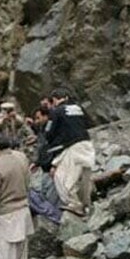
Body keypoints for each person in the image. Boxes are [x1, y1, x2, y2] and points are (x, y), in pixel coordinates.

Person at [45, 88, 94, 217]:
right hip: (87, 144)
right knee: (85, 177)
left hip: (72, 146)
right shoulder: (79, 108)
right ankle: (87, 205)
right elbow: (90, 123)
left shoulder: (57, 111)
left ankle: (74, 204)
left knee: (62, 177)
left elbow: (49, 132)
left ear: (55, 99)